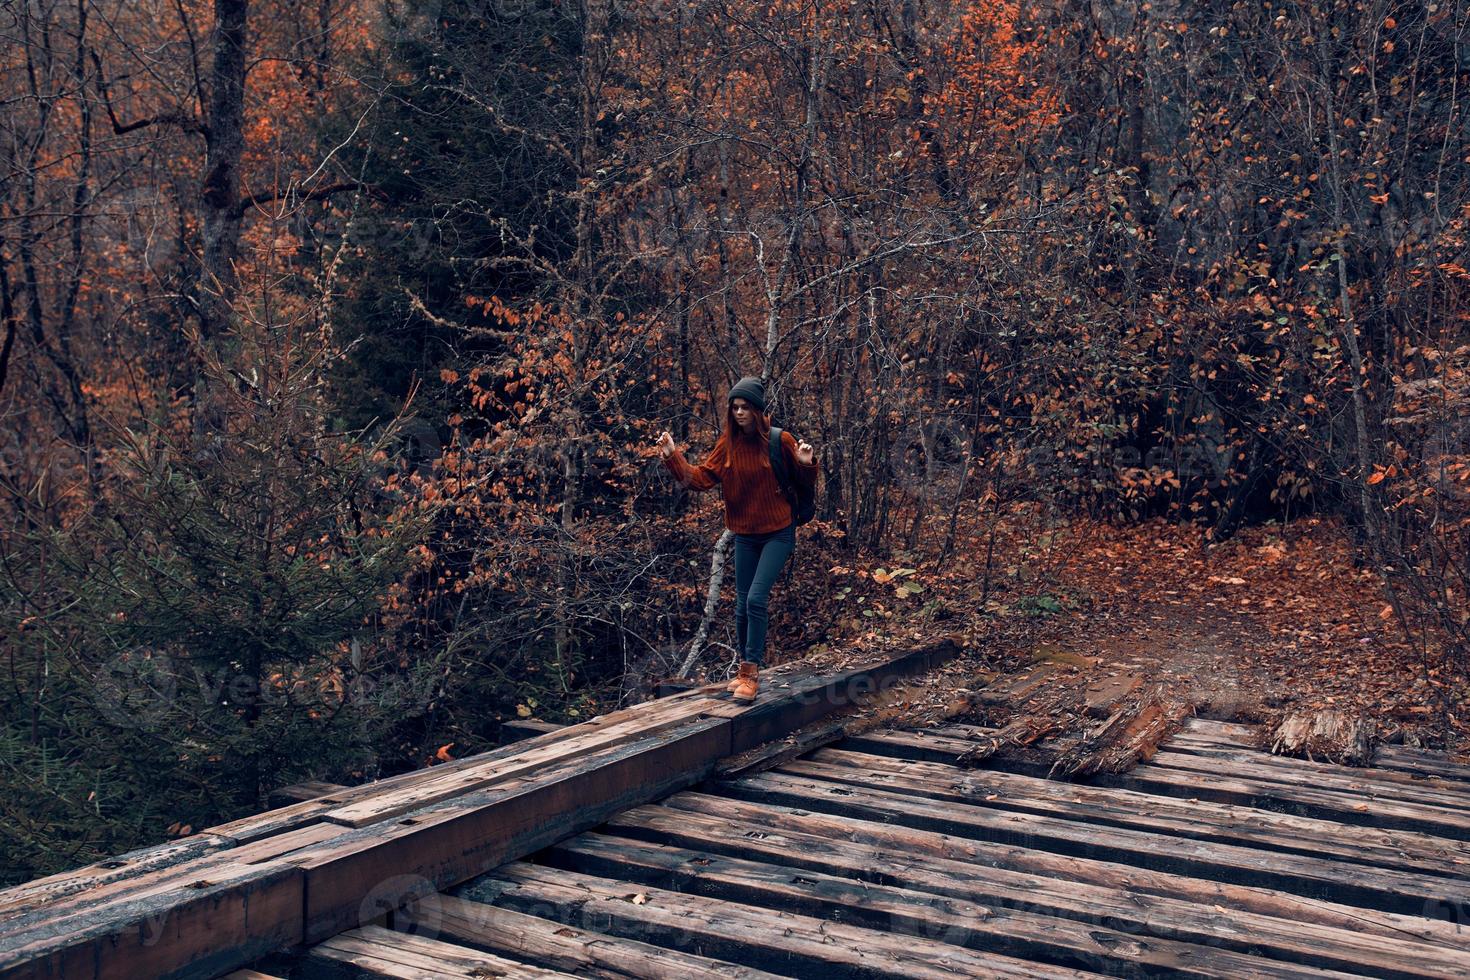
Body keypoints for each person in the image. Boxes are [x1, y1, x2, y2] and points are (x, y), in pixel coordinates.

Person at [655, 376, 818, 702]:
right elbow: (700, 479)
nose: (739, 413)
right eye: (735, 408)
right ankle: (743, 672)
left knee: (756, 599)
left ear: (757, 410)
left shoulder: (779, 440)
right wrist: (674, 457)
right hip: (744, 535)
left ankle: (751, 673)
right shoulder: (726, 444)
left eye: (745, 407)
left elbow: (804, 481)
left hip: (778, 532)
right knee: (742, 605)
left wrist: (805, 463)